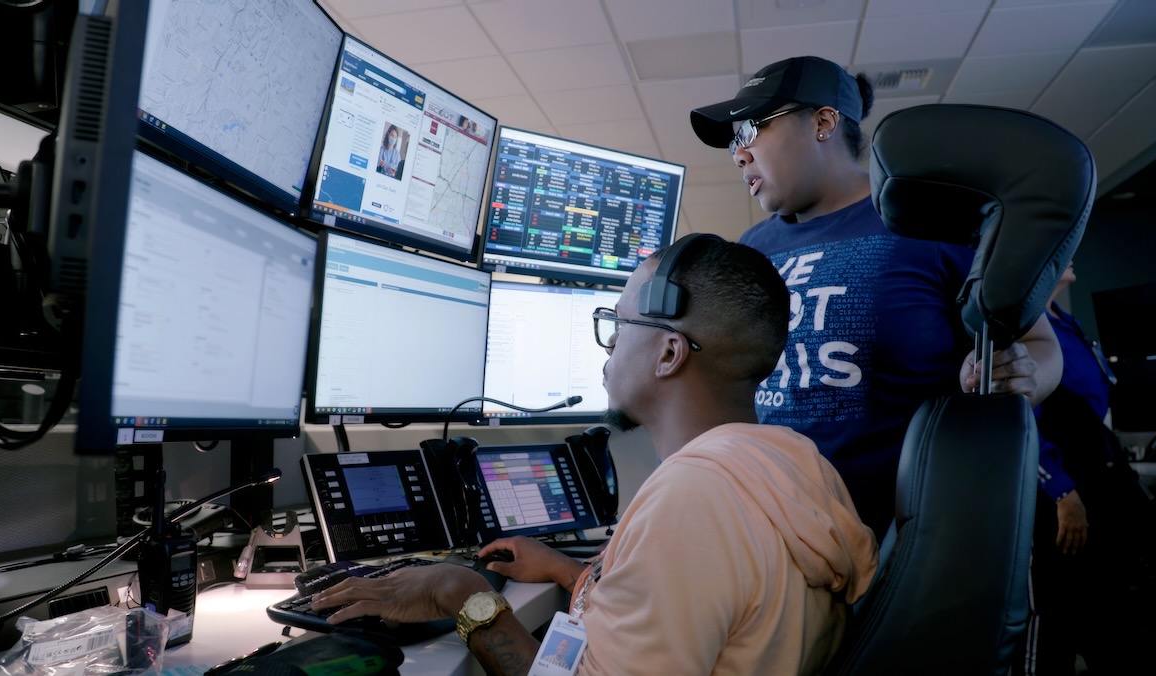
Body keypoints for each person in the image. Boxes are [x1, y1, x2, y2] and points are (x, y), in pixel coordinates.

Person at [312, 236, 879, 674]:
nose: (608, 347)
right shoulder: (795, 462)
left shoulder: (693, 500)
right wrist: (569, 571)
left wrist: (462, 594)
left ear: (668, 353)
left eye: (617, 324)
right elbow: (700, 607)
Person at [688, 56, 1063, 536]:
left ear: (823, 121)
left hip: (908, 533)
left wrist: (1024, 378)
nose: (738, 154)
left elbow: (1042, 347)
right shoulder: (752, 249)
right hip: (781, 527)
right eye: (732, 141)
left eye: (750, 131)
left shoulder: (933, 226)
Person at [1017, 261, 1156, 675]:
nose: (1072, 253)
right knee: (1057, 612)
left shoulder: (1064, 321)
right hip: (1063, 491)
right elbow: (1026, 421)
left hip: (1099, 477)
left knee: (1111, 608)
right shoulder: (1028, 326)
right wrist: (1061, 491)